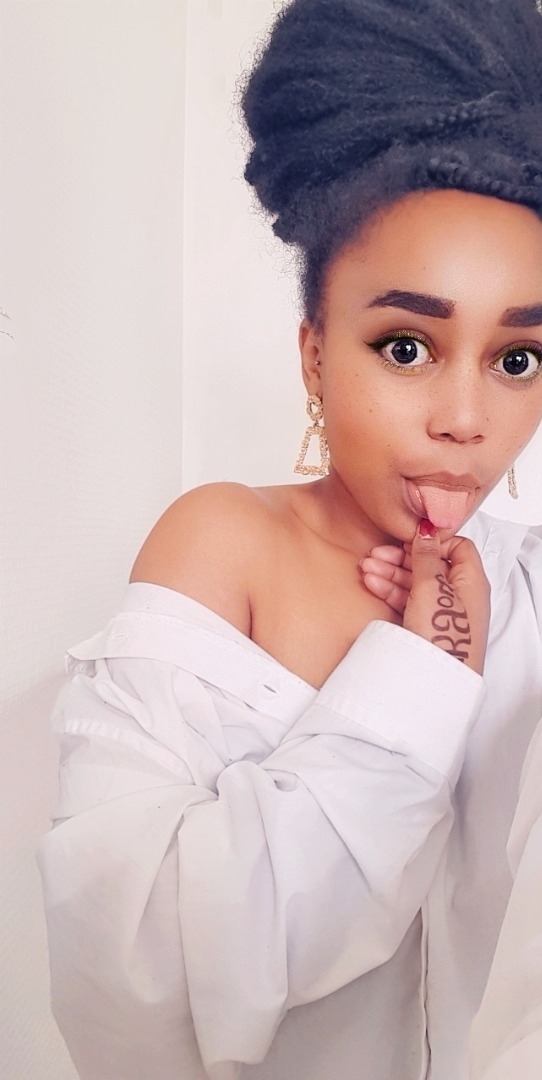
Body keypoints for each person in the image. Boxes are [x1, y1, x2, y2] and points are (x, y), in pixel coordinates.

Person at [37, 1, 542, 1078]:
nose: (466, 419)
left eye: (515, 360)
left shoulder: (529, 582)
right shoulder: (225, 543)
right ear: (314, 354)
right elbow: (129, 992)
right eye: (405, 346)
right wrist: (423, 674)